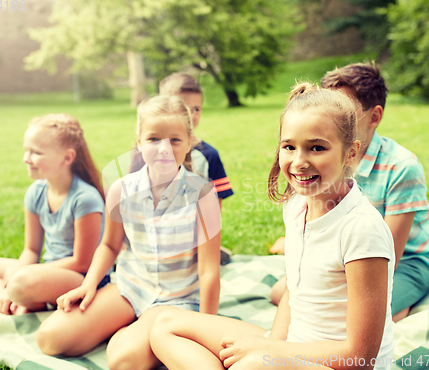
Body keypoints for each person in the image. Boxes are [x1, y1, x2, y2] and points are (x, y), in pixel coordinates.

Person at [149, 82, 395, 370]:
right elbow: (294, 288)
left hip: (336, 363)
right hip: (293, 345)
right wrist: (274, 345)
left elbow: (360, 357)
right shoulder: (296, 206)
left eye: (317, 148)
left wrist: (269, 350)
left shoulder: (361, 230)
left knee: (251, 365)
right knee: (165, 324)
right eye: (289, 147)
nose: (299, 161)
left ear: (351, 152)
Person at [35, 95, 221, 370]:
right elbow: (109, 246)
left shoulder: (204, 196)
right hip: (131, 287)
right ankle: (131, 327)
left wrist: (205, 328)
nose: (164, 149)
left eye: (175, 140)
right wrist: (88, 285)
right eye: (153, 139)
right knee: (50, 339)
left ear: (189, 142)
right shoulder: (121, 189)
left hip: (178, 300)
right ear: (138, 141)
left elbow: (209, 271)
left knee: (124, 362)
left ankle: (134, 334)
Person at [270, 62, 429, 322]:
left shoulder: (402, 167)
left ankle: (411, 298)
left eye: (345, 108)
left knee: (346, 317)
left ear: (374, 117)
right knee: (282, 294)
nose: (334, 116)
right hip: (351, 254)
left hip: (409, 260)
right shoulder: (322, 164)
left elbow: (390, 259)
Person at [0, 114, 106, 315]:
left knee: (20, 282)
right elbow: (31, 250)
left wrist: (23, 272)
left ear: (67, 157)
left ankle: (15, 296)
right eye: (27, 150)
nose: (26, 158)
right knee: (9, 277)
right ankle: (5, 298)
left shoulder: (85, 199)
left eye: (36, 152)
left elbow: (82, 262)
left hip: (81, 277)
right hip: (47, 270)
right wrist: (21, 268)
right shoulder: (36, 192)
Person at [130, 72, 233, 264]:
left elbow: (215, 207)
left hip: (192, 235)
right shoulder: (146, 153)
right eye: (184, 107)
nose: (191, 115)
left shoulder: (209, 155)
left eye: (196, 109)